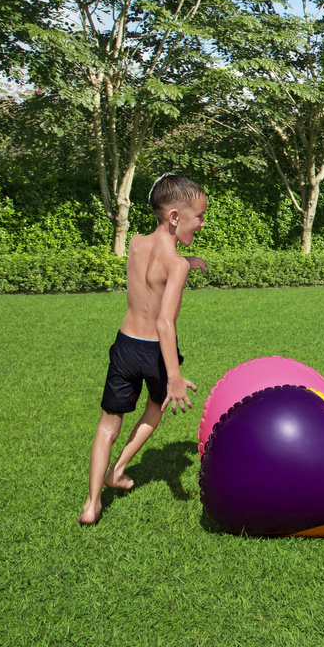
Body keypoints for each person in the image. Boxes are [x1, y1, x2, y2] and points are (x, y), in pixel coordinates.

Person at [78, 174, 208, 525]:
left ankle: (91, 505)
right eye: (199, 216)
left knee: (108, 425)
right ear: (175, 217)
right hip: (155, 353)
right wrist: (174, 376)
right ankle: (117, 469)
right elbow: (164, 323)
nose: (202, 223)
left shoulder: (135, 243)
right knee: (154, 409)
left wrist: (188, 258)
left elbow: (153, 266)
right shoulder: (176, 266)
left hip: (124, 346)